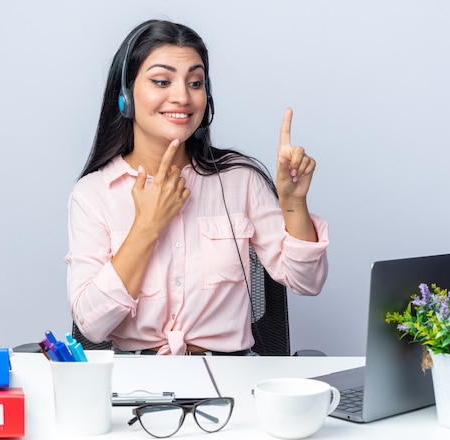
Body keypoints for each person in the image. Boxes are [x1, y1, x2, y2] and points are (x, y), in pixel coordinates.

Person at [65, 19, 329, 356]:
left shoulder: (239, 180)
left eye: (195, 82)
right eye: (162, 81)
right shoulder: (93, 194)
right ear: (126, 96)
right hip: (139, 387)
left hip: (230, 380)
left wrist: (294, 204)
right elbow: (91, 323)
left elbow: (307, 282)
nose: (182, 97)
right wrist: (147, 226)